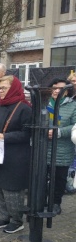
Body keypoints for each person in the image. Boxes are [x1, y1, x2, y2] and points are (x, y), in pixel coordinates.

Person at [0, 75, 31, 234]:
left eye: (4, 88)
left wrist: (6, 137)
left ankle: (17, 220)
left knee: (12, 191)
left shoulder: (24, 108)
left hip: (15, 157)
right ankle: (4, 217)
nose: (0, 91)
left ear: (13, 88)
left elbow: (27, 134)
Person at [45, 77, 76, 215]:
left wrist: (59, 132)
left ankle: (56, 203)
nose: (57, 91)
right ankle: (42, 201)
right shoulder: (44, 103)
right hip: (44, 147)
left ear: (67, 91)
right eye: (54, 87)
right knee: (41, 176)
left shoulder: (72, 106)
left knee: (59, 178)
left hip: (62, 149)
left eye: (61, 88)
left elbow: (74, 126)